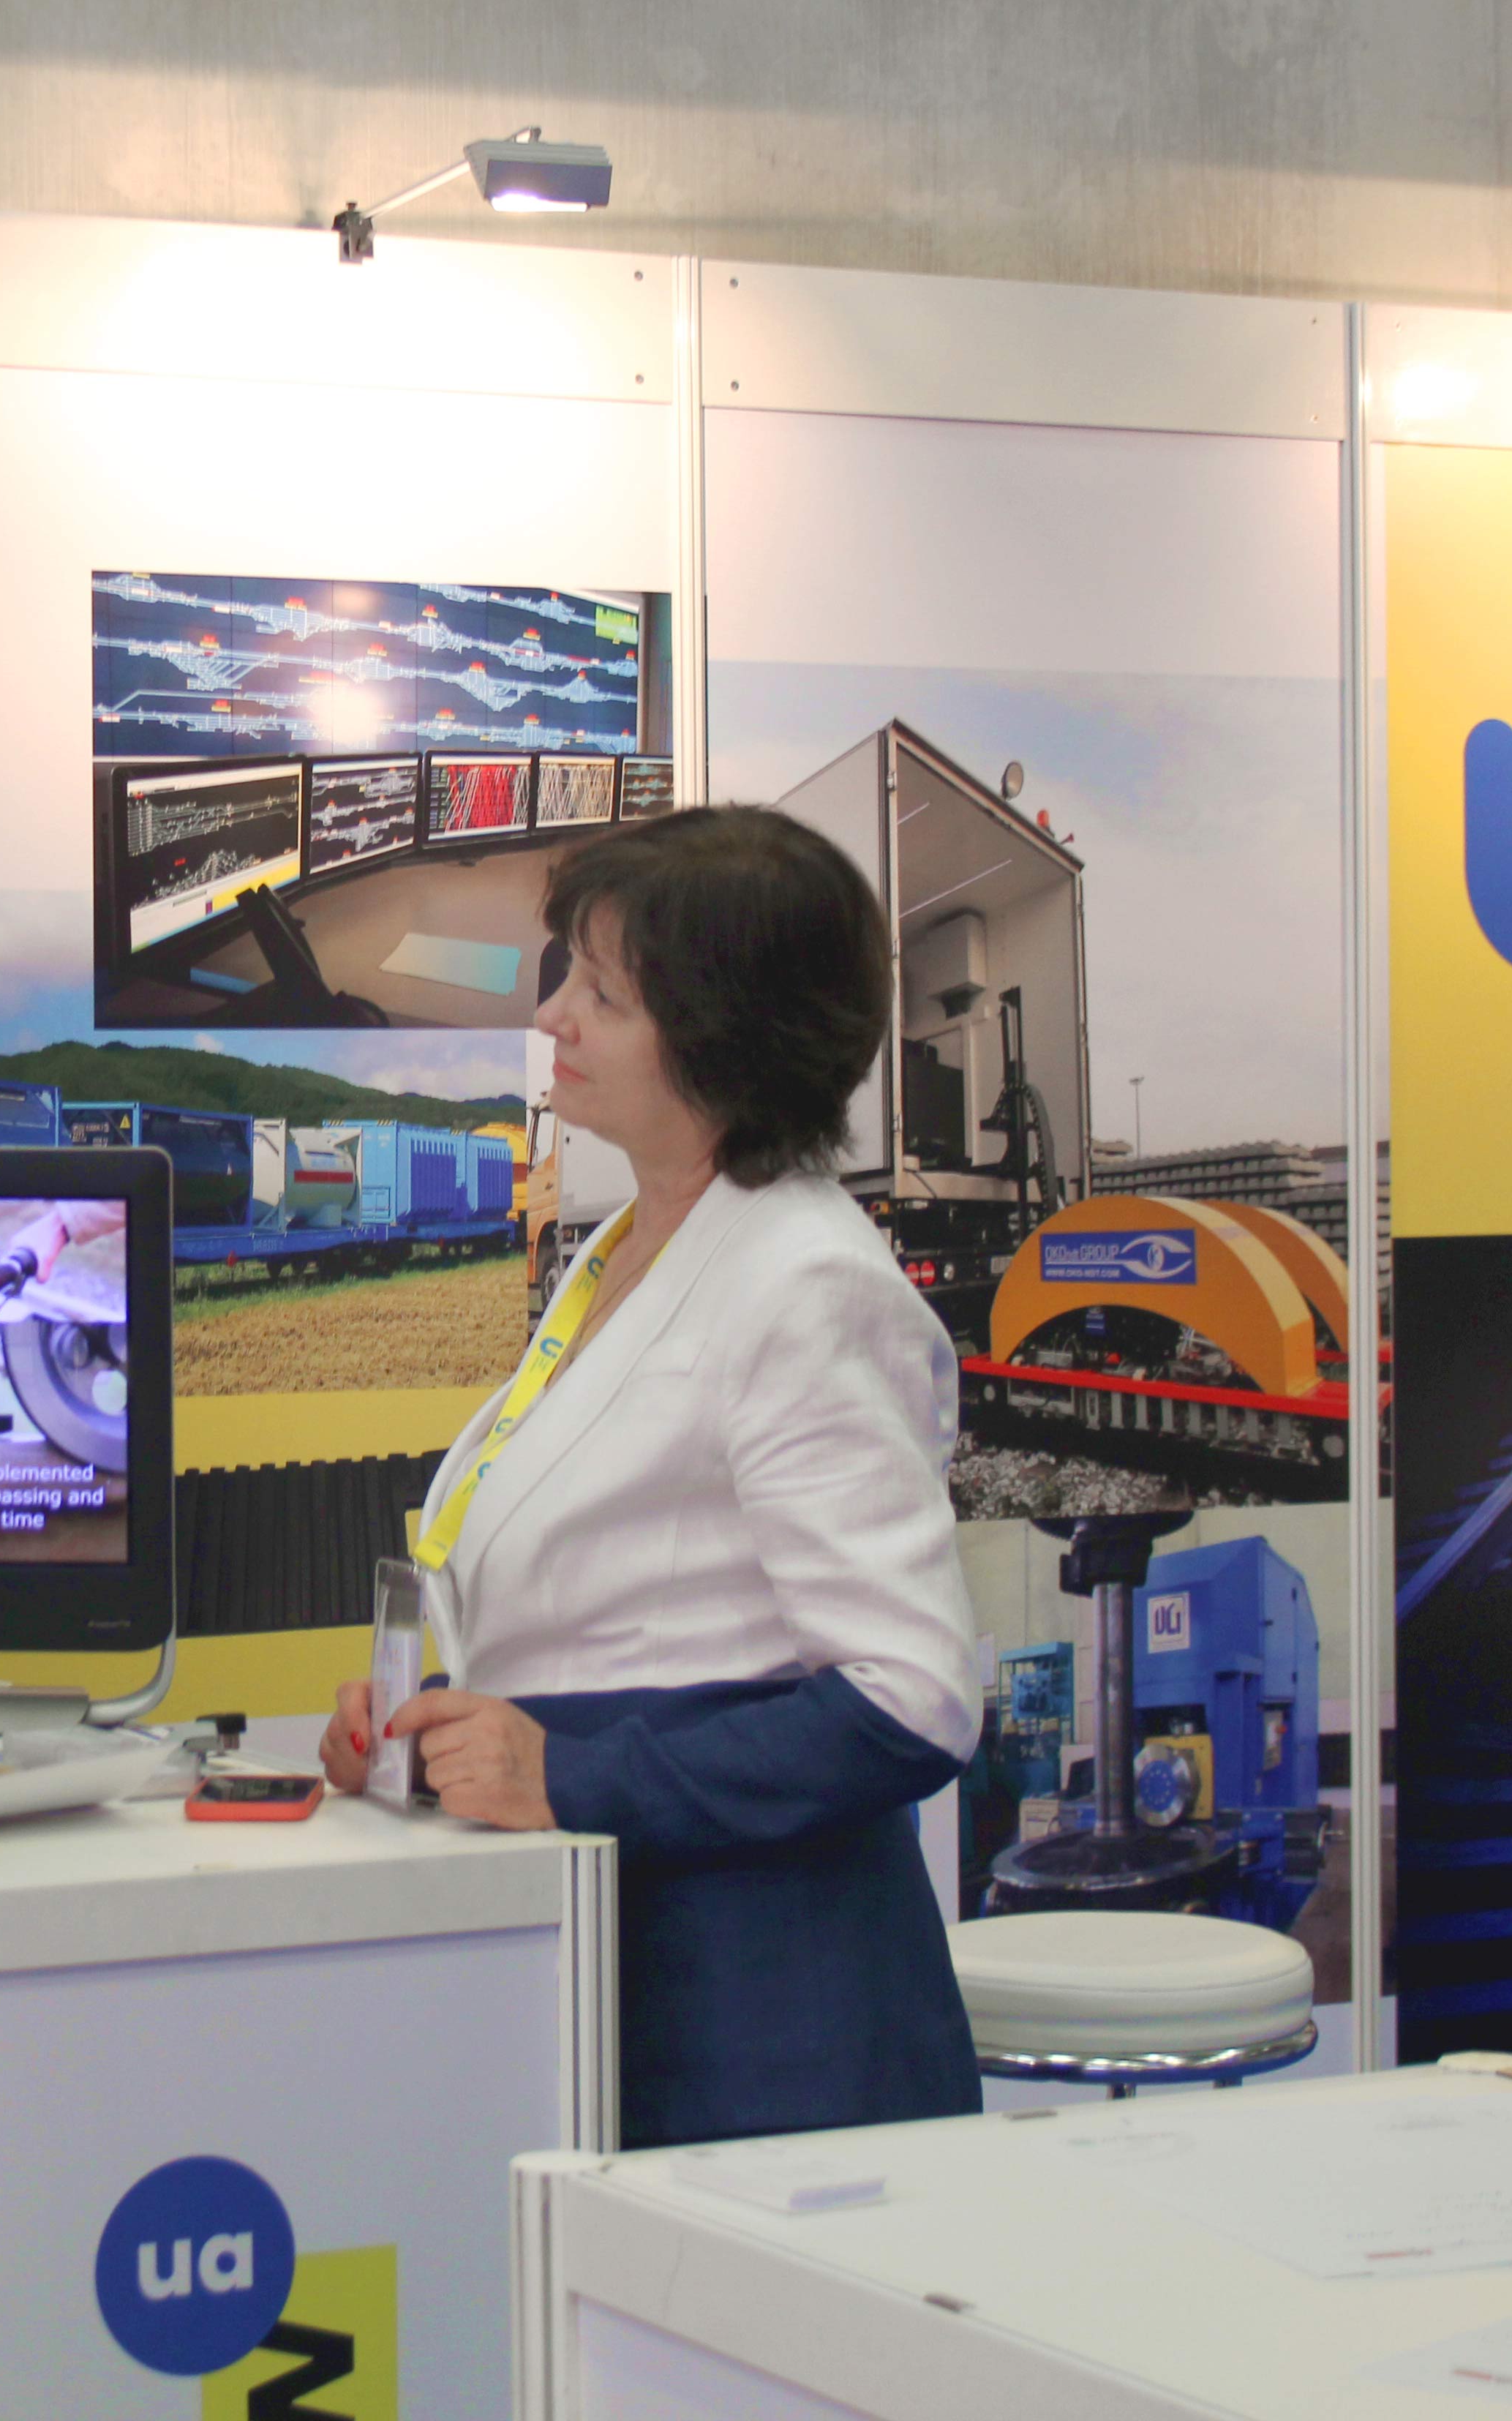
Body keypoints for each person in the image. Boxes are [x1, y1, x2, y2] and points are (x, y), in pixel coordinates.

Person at [319, 805, 983, 2144]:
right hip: (626, 1972)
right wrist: (439, 1729)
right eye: (567, 974)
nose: (552, 1017)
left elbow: (912, 1701)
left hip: (768, 2034)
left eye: (602, 996)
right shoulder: (628, 1249)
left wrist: (566, 1774)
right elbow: (644, 1609)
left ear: (725, 1039)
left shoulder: (802, 1283)